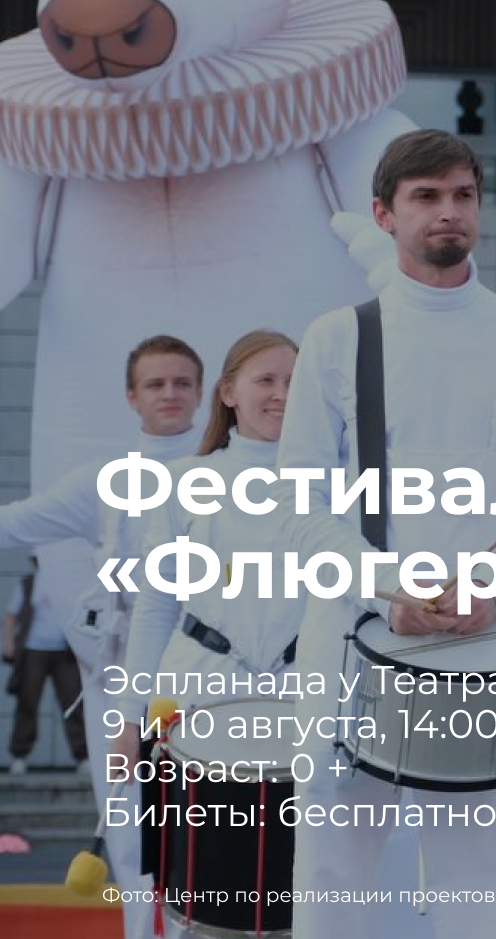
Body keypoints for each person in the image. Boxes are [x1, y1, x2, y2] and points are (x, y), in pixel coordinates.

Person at [277, 129, 496, 937]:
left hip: (491, 646)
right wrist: (387, 591)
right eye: (426, 196)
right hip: (352, 641)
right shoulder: (337, 337)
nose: (448, 211)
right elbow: (300, 505)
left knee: (487, 890)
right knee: (335, 886)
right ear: (384, 214)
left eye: (462, 195)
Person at [0, 335, 202, 939]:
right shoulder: (104, 482)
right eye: (155, 384)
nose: (169, 394)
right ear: (132, 397)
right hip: (120, 683)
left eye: (182, 383)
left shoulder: (229, 474)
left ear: (203, 393)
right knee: (132, 837)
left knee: (215, 835)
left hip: (213, 680)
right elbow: (15, 524)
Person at [118, 331, 299, 727]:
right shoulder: (184, 479)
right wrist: (130, 718)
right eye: (266, 380)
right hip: (194, 696)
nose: (282, 395)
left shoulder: (337, 482)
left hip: (303, 697)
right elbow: (156, 604)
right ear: (228, 393)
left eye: (293, 382)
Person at [6, 558, 88, 774]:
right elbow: (11, 616)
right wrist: (9, 643)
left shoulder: (68, 584)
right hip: (33, 650)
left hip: (65, 651)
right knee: (27, 701)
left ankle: (82, 756)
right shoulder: (28, 583)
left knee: (73, 702)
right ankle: (20, 754)